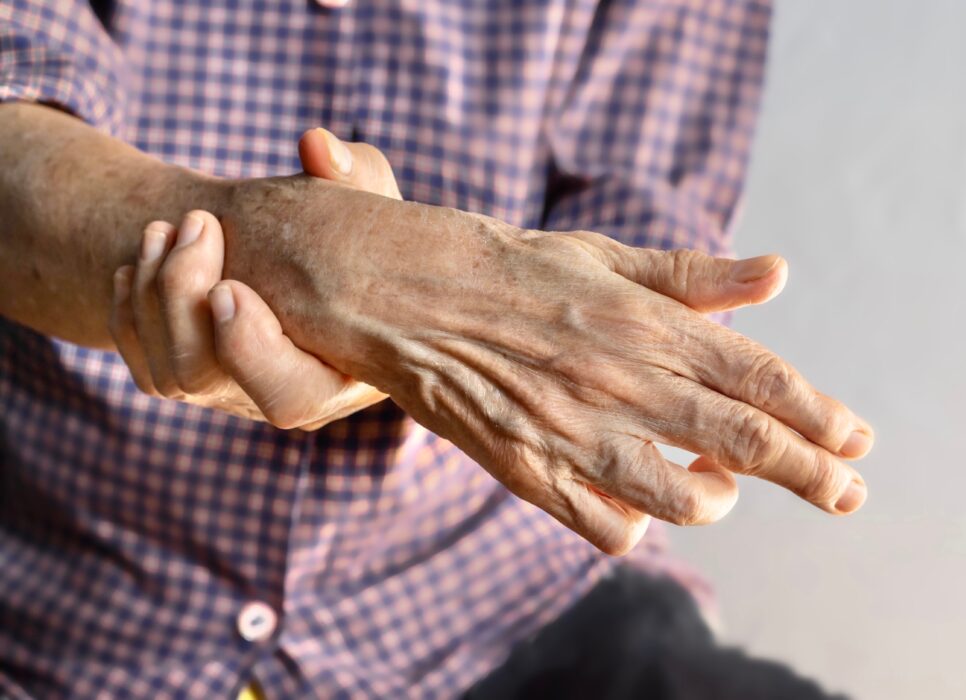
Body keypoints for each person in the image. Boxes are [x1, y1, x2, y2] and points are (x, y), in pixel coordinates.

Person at [0, 0, 873, 697]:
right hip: (63, 599)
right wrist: (321, 266)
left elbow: (640, 276)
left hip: (489, 596)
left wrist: (389, 291)